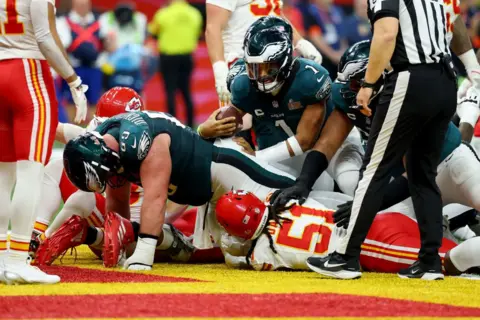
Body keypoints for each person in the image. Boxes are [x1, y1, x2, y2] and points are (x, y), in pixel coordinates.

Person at [272, 0, 480, 280]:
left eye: (354, 85)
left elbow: (385, 33)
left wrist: (368, 84)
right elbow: (453, 20)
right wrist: (472, 67)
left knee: (375, 170)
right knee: (422, 175)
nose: (350, 91)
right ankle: (429, 261)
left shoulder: (379, 78)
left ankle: (345, 258)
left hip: (413, 80)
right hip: (443, 78)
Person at [62, 108, 296, 270]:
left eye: (106, 173)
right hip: (207, 195)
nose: (110, 178)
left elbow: (156, 197)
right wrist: (119, 240)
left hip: (226, 172)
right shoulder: (110, 148)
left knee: (293, 200)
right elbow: (117, 207)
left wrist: (143, 253)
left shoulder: (140, 140)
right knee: (233, 253)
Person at [200, 17, 364, 196]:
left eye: (269, 68)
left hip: (329, 144)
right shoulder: (241, 82)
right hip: (281, 150)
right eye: (254, 68)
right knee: (282, 194)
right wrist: (205, 129)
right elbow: (231, 121)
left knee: (349, 182)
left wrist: (256, 157)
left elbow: (305, 140)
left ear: (284, 61)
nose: (261, 76)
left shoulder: (309, 79)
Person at [0, 0, 88, 285]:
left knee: (3, 175)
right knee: (30, 172)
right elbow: (45, 37)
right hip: (29, 76)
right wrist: (74, 81)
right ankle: (17, 260)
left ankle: (2, 257)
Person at [215, 190, 480, 277]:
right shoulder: (282, 199)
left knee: (446, 263)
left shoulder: (261, 255)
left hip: (374, 246)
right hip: (381, 219)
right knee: (450, 249)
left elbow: (236, 256)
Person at [205, 0, 323, 105]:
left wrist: (300, 42)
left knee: (280, 119)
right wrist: (219, 68)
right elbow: (213, 27)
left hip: (275, 60)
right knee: (239, 123)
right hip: (243, 63)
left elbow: (274, 13)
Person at [148, 0, 202, 128]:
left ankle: (172, 125)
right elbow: (197, 34)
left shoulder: (163, 13)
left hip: (168, 58)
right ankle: (190, 125)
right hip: (186, 57)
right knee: (186, 92)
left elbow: (152, 31)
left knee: (170, 92)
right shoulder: (194, 14)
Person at [56, 0, 103, 117]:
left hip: (95, 67)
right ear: (73, 4)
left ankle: (94, 132)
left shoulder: (101, 20)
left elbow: (106, 44)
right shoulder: (63, 21)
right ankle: (72, 133)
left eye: (85, 3)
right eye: (79, 3)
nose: (82, 6)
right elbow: (62, 45)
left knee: (95, 101)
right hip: (74, 68)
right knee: (72, 101)